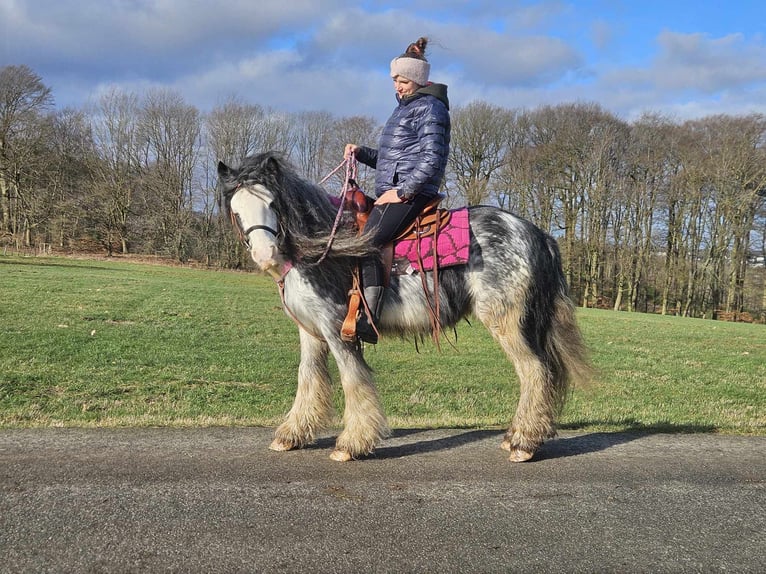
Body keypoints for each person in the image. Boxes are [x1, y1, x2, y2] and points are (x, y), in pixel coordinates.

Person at [344, 36, 451, 344]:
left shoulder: (430, 108)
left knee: (367, 241)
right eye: (394, 80)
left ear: (417, 79)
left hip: (413, 193)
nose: (397, 86)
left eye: (402, 80)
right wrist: (361, 153)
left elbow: (432, 159)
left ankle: (370, 318)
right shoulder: (406, 108)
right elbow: (393, 160)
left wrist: (403, 192)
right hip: (398, 190)